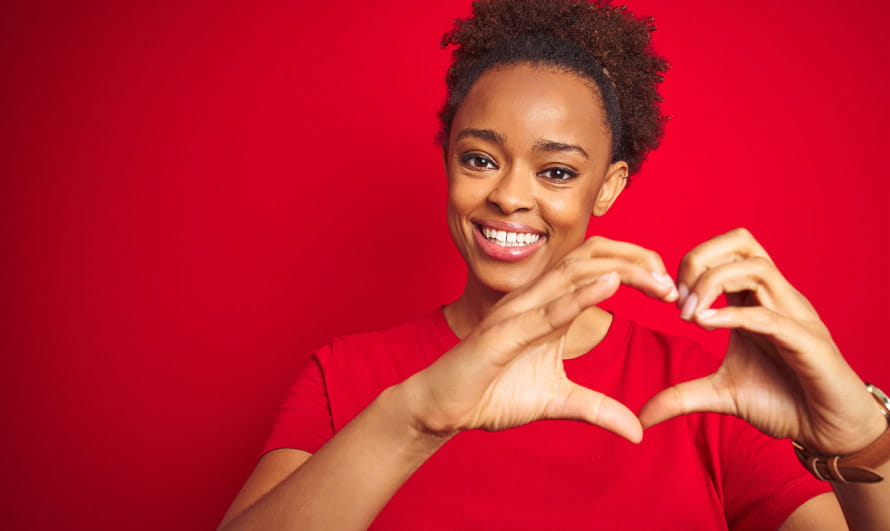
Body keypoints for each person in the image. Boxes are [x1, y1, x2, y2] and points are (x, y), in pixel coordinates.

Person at [218, 0, 890, 529]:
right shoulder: (344, 376)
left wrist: (865, 438)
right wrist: (417, 415)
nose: (509, 195)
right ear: (448, 160)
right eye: (479, 158)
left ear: (608, 186)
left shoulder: (706, 391)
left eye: (557, 170)